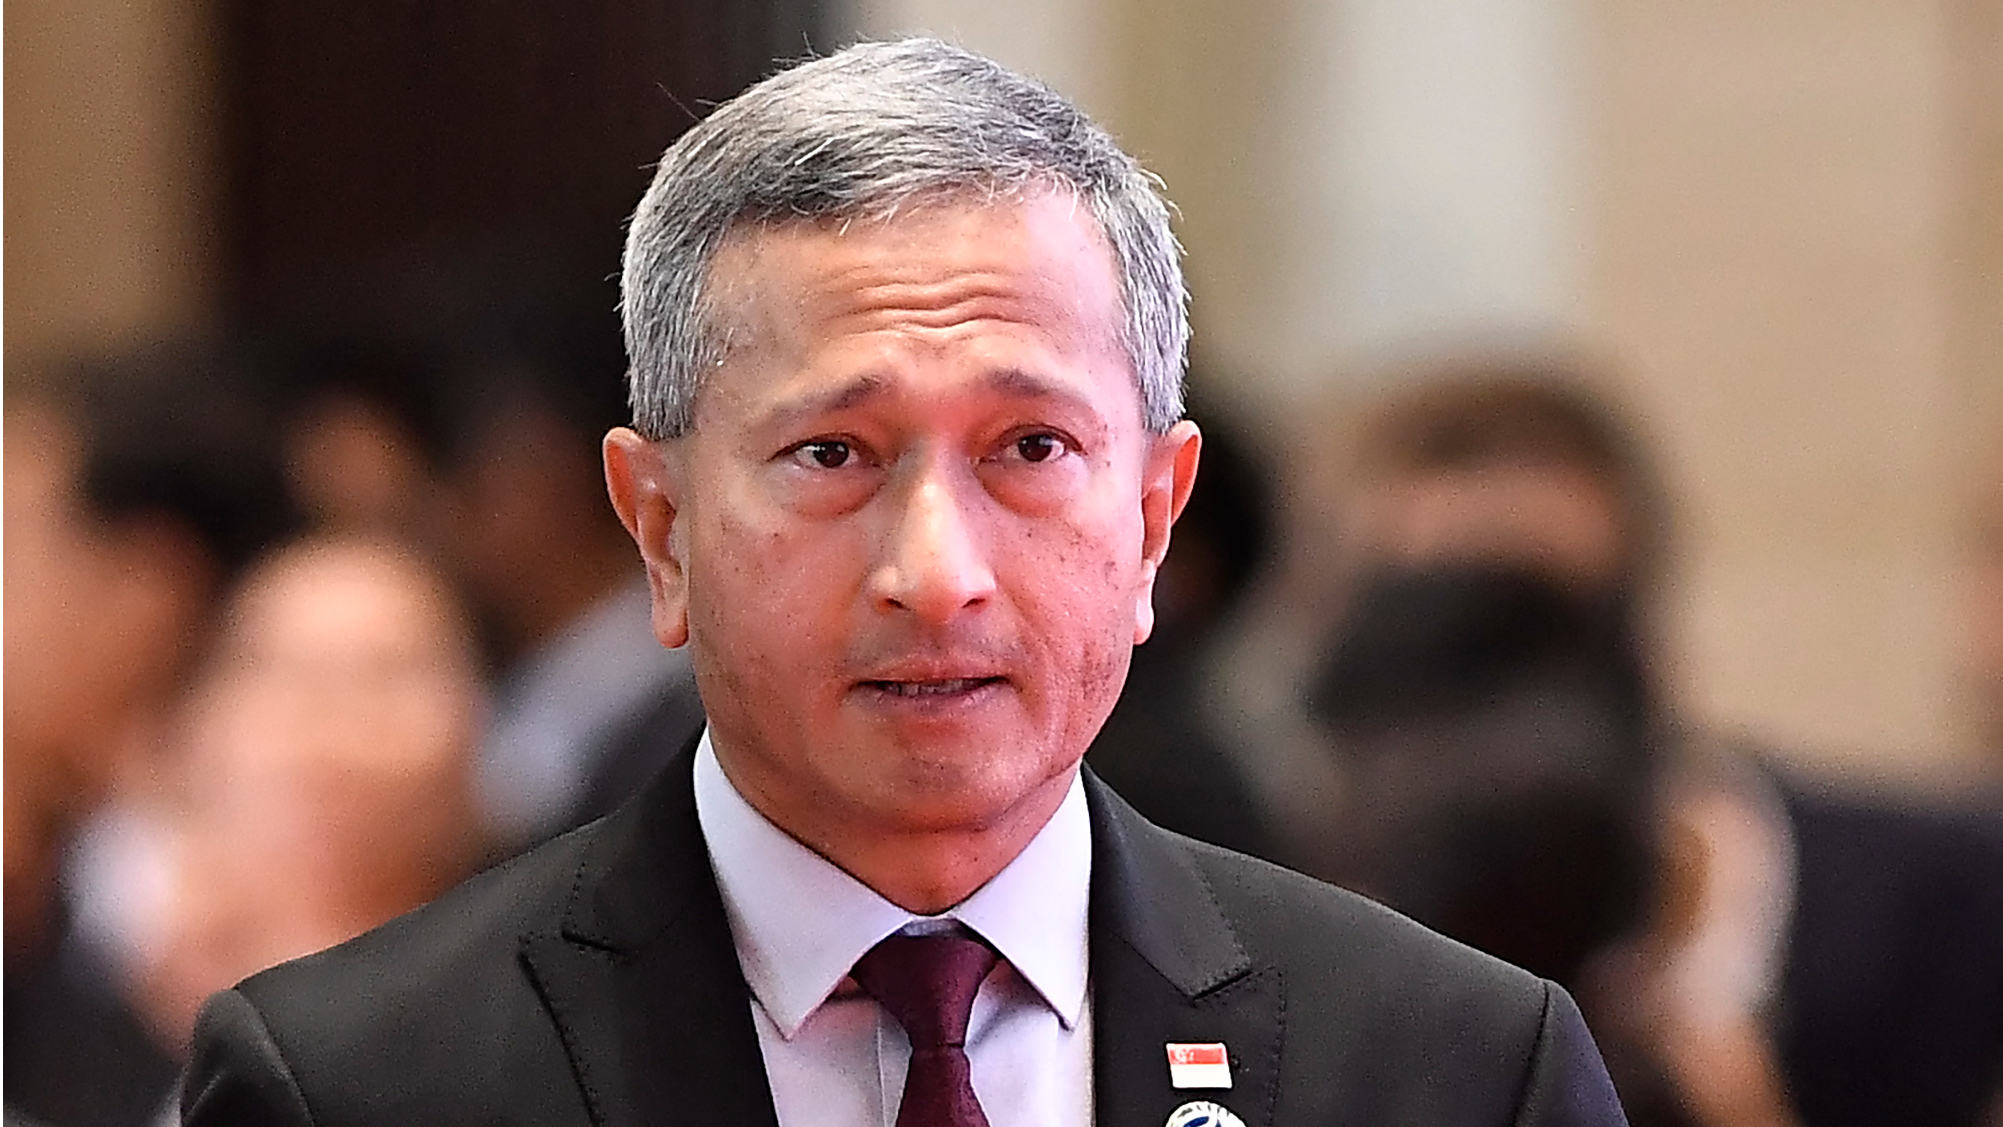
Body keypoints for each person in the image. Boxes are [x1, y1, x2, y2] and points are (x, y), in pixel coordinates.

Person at [180, 39, 1627, 1126]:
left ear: (1152, 519)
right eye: (832, 454)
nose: (936, 575)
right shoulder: (356, 1085)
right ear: (660, 527)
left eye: (1030, 448)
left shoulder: (1452, 1067)